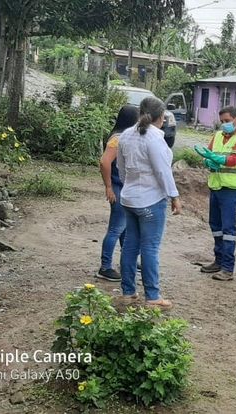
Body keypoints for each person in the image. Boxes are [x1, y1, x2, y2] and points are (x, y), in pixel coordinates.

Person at [116, 97, 182, 309]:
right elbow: (163, 171)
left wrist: (129, 186)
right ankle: (153, 296)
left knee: (130, 246)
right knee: (150, 248)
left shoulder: (126, 135)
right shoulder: (154, 138)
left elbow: (121, 168)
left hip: (129, 199)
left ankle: (128, 292)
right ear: (161, 117)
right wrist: (174, 196)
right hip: (151, 200)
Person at [194, 105, 236, 281]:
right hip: (216, 186)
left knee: (228, 229)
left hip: (232, 189)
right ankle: (218, 261)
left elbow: (234, 160)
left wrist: (215, 158)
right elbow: (208, 154)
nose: (224, 124)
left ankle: (228, 268)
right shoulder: (218, 136)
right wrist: (207, 161)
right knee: (216, 226)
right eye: (222, 121)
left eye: (227, 121)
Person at [96, 105, 139, 282]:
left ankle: (127, 260)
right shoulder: (118, 139)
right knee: (116, 228)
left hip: (123, 187)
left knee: (124, 228)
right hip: (118, 188)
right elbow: (104, 162)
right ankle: (105, 267)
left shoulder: (122, 136)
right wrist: (108, 187)